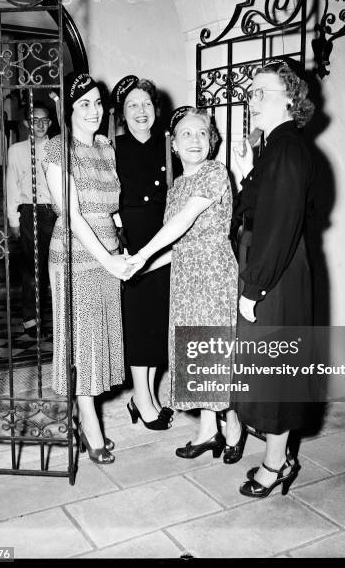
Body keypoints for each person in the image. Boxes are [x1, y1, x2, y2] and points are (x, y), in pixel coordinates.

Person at [128, 107, 245, 463]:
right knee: (197, 350)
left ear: (212, 142)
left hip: (212, 273)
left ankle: (234, 426)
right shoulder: (177, 184)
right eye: (186, 134)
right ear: (174, 145)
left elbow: (184, 221)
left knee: (216, 348)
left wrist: (143, 253)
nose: (195, 140)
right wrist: (142, 267)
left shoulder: (214, 172)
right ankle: (209, 430)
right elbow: (178, 244)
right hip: (184, 275)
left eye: (202, 133)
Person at [231, 59, 315, 497]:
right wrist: (248, 167)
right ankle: (279, 454)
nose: (252, 101)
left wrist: (255, 287)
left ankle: (276, 463)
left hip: (274, 272)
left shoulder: (286, 148)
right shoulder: (276, 147)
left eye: (261, 92)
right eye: (251, 94)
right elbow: (256, 206)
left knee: (274, 370)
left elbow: (279, 225)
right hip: (271, 263)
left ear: (290, 98)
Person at [42, 72, 132, 464]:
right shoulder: (55, 149)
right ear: (67, 108)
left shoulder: (105, 148)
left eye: (98, 103)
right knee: (82, 342)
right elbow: (73, 215)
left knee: (98, 341)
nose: (94, 111)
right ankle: (90, 425)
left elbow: (111, 210)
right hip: (74, 257)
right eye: (84, 104)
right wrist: (108, 258)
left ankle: (86, 414)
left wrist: (123, 246)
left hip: (107, 253)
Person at [110, 75, 174, 430]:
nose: (141, 111)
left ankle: (144, 395)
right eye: (133, 105)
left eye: (147, 104)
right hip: (131, 243)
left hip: (163, 241)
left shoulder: (167, 144)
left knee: (156, 322)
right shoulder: (112, 147)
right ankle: (143, 399)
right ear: (122, 112)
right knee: (137, 321)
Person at [6, 101, 56, 338]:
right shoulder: (16, 150)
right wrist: (13, 220)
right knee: (32, 271)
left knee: (56, 269)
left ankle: (59, 321)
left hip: (55, 213)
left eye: (45, 120)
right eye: (35, 120)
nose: (40, 125)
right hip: (29, 212)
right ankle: (30, 322)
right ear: (27, 123)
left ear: (51, 122)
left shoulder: (57, 147)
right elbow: (12, 186)